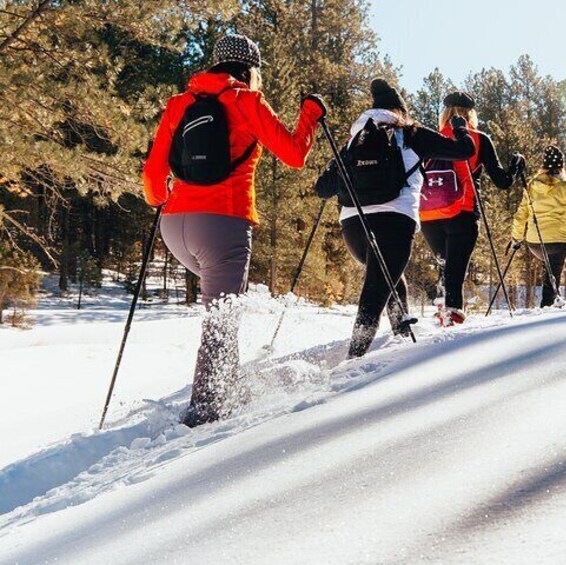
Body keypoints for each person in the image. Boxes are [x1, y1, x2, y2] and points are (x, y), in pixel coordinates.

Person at [142, 34, 326, 427]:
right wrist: (309, 113)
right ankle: (205, 414)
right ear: (250, 69)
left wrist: (167, 200)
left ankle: (225, 389)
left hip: (174, 226)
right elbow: (294, 154)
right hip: (223, 223)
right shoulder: (246, 101)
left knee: (223, 309)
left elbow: (152, 177)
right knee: (221, 319)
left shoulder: (179, 104)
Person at [314, 78, 475, 358]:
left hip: (354, 226)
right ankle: (353, 360)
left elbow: (322, 189)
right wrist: (460, 129)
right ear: (400, 111)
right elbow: (465, 152)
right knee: (375, 292)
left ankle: (400, 334)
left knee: (387, 276)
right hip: (394, 221)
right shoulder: (410, 132)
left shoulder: (355, 139)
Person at [419, 91, 525, 326]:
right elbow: (503, 182)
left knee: (446, 263)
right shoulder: (478, 139)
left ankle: (442, 306)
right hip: (462, 213)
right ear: (471, 114)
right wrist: (516, 167)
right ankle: (452, 316)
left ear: (445, 114)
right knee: (455, 270)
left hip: (428, 216)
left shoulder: (429, 138)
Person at [510, 146, 566, 307]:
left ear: (544, 166)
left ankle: (552, 300)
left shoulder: (532, 185)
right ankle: (547, 307)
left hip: (534, 242)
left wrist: (516, 238)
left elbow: (521, 215)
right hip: (556, 242)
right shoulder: (565, 186)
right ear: (561, 166)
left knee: (549, 271)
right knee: (552, 276)